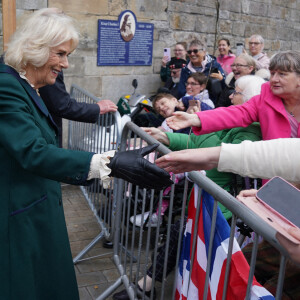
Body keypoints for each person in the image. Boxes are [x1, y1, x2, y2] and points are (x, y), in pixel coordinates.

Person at [0, 8, 172, 300]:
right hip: (20, 216)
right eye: (61, 54)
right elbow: (33, 151)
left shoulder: (28, 84)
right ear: (36, 48)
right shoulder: (6, 86)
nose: (65, 64)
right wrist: (108, 163)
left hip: (36, 206)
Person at [167, 51, 300, 149]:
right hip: (277, 179)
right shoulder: (263, 100)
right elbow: (234, 113)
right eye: (272, 73)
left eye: (282, 74)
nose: (274, 79)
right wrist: (195, 119)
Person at [39, 71, 117, 146]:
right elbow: (62, 105)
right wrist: (97, 108)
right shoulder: (47, 70)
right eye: (60, 56)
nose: (66, 64)